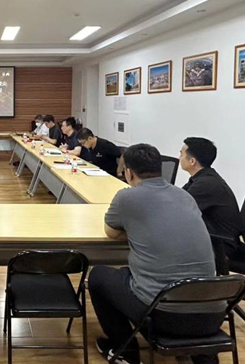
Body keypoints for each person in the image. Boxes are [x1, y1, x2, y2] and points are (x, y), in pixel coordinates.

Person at [89, 144, 223, 364]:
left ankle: (125, 352)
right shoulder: (185, 196)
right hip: (212, 313)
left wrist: (137, 228)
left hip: (164, 315)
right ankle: (202, 355)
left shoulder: (127, 197)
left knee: (98, 276)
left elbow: (110, 232)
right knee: (129, 273)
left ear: (128, 172)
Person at [180, 137, 242, 262]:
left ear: (192, 161)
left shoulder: (206, 184)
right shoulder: (202, 177)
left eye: (181, 154)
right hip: (211, 237)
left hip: (220, 246)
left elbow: (178, 210)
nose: (179, 158)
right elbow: (180, 197)